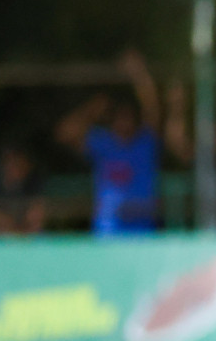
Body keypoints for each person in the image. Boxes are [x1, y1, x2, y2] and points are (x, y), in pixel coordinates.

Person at [55, 50, 172, 235]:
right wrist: (92, 109)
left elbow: (152, 109)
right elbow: (64, 133)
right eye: (119, 118)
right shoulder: (102, 143)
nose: (124, 123)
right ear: (111, 121)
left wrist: (139, 74)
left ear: (135, 120)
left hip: (143, 235)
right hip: (106, 235)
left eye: (128, 118)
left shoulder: (145, 143)